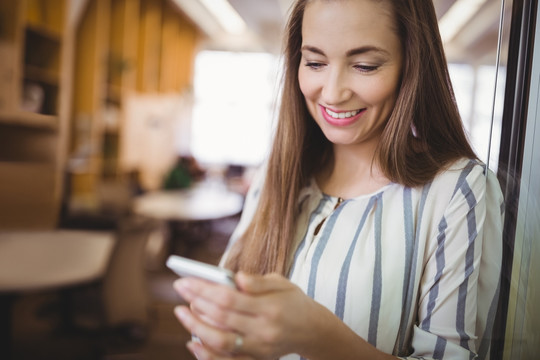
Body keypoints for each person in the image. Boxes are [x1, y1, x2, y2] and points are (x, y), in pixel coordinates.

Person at [173, 0, 504, 359]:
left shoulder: (457, 190)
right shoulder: (279, 172)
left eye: (364, 66)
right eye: (314, 63)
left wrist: (319, 338)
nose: (332, 93)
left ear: (412, 65)